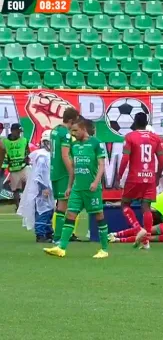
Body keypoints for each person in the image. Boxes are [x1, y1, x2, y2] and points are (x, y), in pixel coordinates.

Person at [43, 118, 109, 258]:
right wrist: (69, 186)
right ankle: (61, 248)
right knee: (71, 214)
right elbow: (73, 168)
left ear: (84, 129)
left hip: (92, 188)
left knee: (99, 216)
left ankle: (104, 249)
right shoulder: (74, 146)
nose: (72, 133)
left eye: (75, 130)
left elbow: (102, 165)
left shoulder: (95, 143)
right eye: (71, 130)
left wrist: (96, 182)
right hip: (77, 189)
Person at [118, 112, 163, 250]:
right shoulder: (155, 138)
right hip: (150, 177)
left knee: (125, 204)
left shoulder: (130, 136)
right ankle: (146, 242)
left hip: (134, 177)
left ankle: (139, 230)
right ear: (146, 123)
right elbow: (161, 160)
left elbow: (125, 159)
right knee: (146, 207)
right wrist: (158, 176)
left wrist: (119, 176)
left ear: (135, 122)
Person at [17, 130, 55, 242]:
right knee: (43, 210)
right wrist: (44, 188)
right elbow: (39, 174)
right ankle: (40, 234)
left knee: (49, 210)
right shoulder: (42, 156)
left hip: (49, 186)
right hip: (43, 188)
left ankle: (48, 232)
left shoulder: (48, 155)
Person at [49, 107, 80, 244]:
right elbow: (64, 155)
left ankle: (59, 236)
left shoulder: (54, 131)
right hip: (63, 173)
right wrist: (71, 172)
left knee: (61, 204)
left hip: (54, 171)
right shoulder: (65, 135)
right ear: (72, 120)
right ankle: (59, 237)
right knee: (63, 205)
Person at [0, 123, 30, 210]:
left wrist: (27, 160)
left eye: (20, 132)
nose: (19, 134)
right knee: (15, 189)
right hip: (13, 169)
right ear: (12, 131)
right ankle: (19, 207)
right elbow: (3, 154)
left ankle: (26, 205)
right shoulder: (5, 142)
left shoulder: (24, 140)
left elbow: (28, 152)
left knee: (26, 187)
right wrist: (4, 167)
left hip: (24, 168)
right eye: (18, 132)